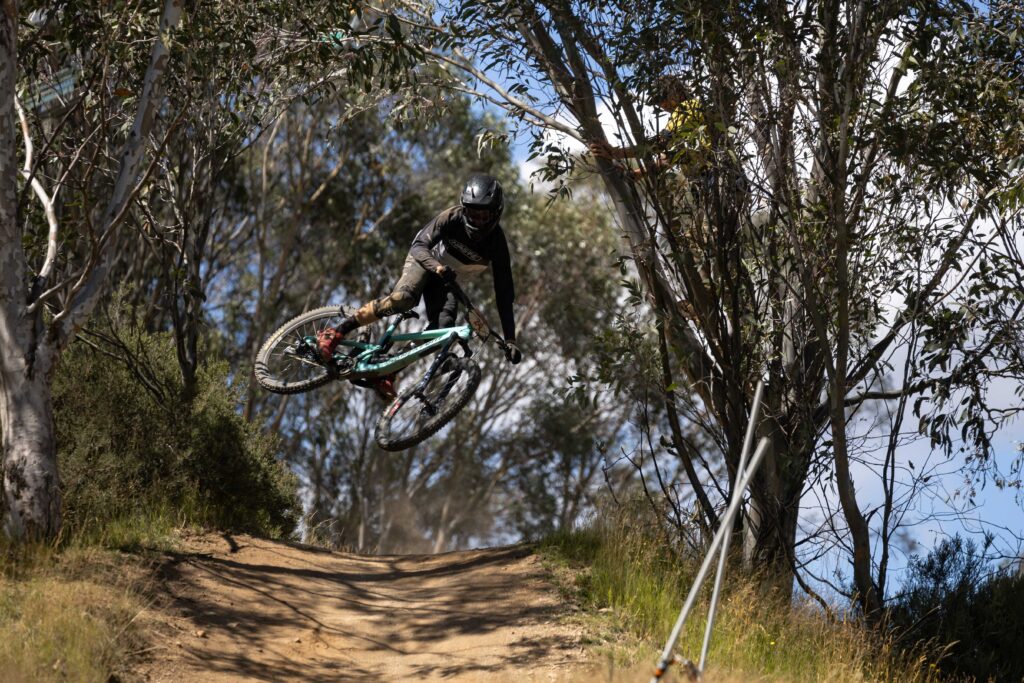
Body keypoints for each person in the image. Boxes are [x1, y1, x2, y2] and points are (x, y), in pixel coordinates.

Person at [317, 173, 523, 396]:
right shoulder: (451, 217)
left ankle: (389, 369)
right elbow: (419, 246)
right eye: (473, 213)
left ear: (497, 213)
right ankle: (336, 332)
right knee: (404, 299)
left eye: (484, 215)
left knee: (440, 334)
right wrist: (436, 267)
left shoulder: (498, 246)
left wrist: (510, 339)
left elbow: (504, 294)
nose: (478, 220)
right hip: (425, 262)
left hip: (449, 283)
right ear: (465, 209)